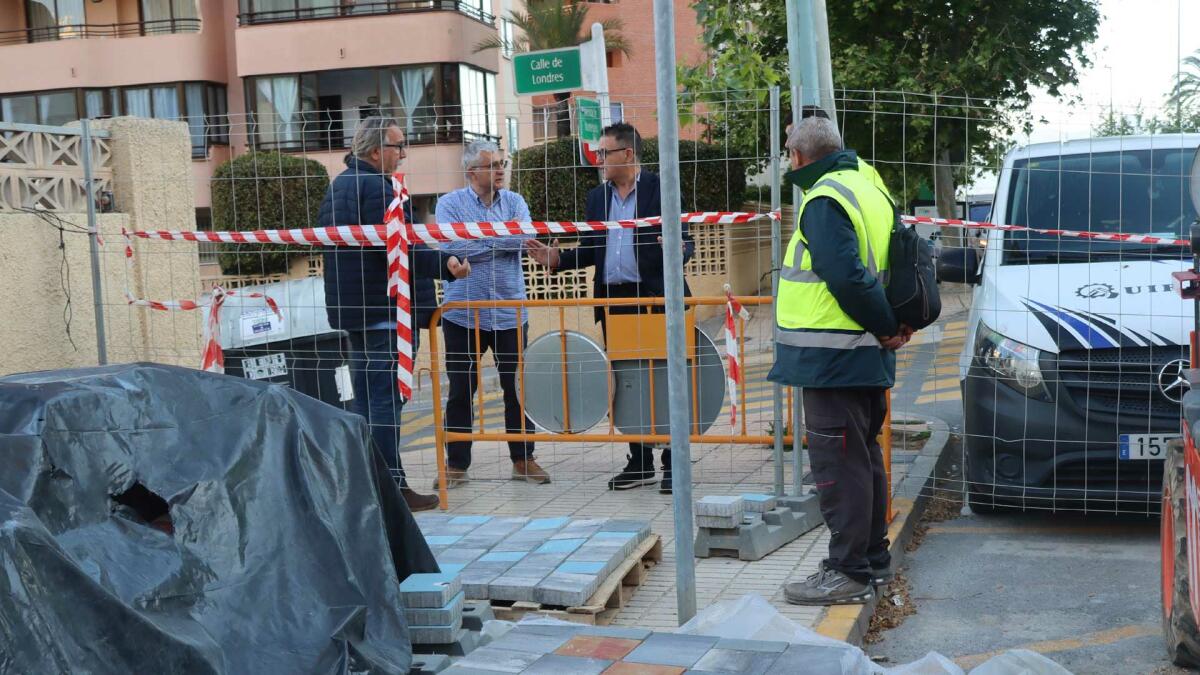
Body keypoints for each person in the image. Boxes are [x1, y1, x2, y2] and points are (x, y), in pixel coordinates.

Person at [767, 116, 912, 606]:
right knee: (863, 457)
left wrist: (886, 325)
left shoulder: (825, 199)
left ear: (799, 156)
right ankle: (871, 559)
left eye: (789, 153)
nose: (789, 162)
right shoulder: (869, 185)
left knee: (838, 463)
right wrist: (893, 324)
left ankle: (847, 570)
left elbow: (846, 277)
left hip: (833, 354)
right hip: (862, 354)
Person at [525, 122, 694, 494]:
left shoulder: (661, 188)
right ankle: (639, 462)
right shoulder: (596, 198)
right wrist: (556, 259)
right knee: (626, 383)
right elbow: (591, 249)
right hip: (613, 302)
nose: (599, 160)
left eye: (605, 153)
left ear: (628, 154)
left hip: (654, 299)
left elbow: (685, 239)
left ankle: (673, 464)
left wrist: (679, 250)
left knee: (663, 381)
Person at [320, 116, 471, 513]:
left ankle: (371, 484)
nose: (404, 153)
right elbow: (398, 248)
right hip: (387, 309)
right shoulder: (380, 188)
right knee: (387, 401)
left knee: (366, 403)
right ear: (376, 150)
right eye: (399, 145)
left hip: (354, 311)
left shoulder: (339, 186)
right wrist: (447, 263)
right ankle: (394, 488)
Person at [436, 140, 550, 489]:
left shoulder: (515, 202)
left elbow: (525, 239)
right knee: (460, 390)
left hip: (509, 312)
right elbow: (452, 246)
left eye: (502, 163)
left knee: (517, 389)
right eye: (491, 165)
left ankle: (523, 459)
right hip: (463, 315)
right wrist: (501, 240)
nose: (500, 170)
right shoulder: (449, 203)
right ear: (471, 172)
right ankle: (456, 464)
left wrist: (483, 244)